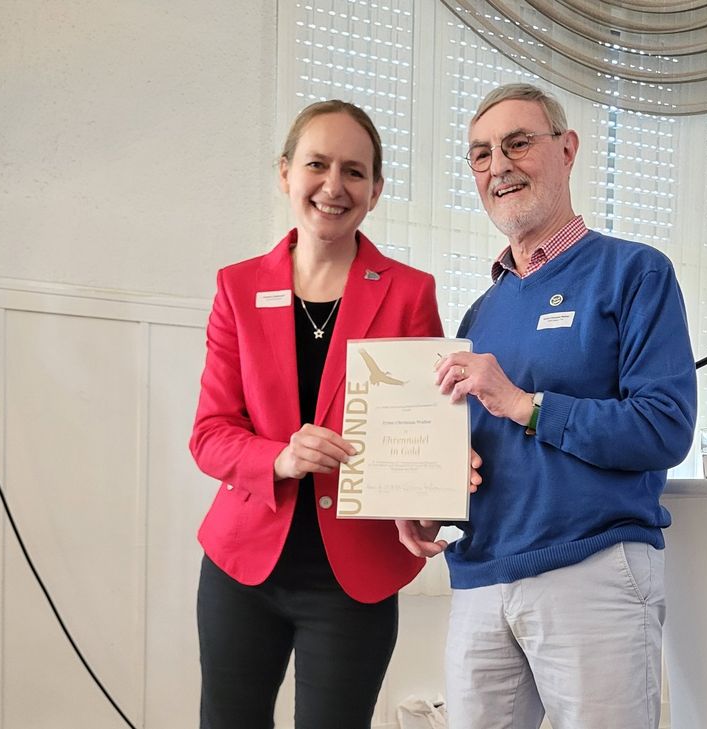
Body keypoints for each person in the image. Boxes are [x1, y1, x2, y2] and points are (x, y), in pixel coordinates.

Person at [396, 84, 697, 728]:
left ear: (567, 150)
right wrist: (432, 496)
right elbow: (489, 450)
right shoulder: (483, 309)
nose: (498, 165)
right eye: (480, 155)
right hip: (481, 580)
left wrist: (525, 403)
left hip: (593, 572)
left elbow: (664, 427)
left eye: (517, 143)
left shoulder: (635, 273)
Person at [189, 100, 465, 729]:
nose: (334, 186)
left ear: (375, 191)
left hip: (354, 576)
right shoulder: (235, 287)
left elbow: (421, 429)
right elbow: (209, 435)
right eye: (317, 164)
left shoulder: (409, 291)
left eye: (355, 171)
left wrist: (421, 499)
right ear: (286, 173)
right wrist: (279, 456)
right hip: (241, 569)